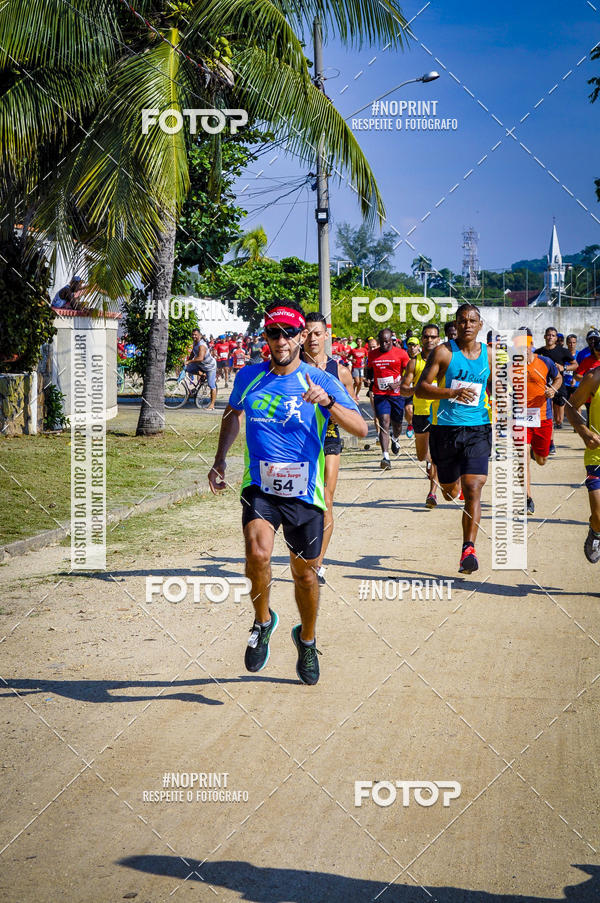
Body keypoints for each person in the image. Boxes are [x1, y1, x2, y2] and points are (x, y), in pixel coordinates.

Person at [208, 300, 367, 685]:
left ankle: (307, 640)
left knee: (305, 577)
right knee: (257, 552)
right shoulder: (249, 377)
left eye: (288, 333)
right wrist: (220, 460)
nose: (280, 340)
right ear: (266, 337)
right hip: (260, 486)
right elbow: (232, 416)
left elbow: (361, 428)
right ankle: (263, 622)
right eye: (272, 333)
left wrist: (327, 403)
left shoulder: (320, 380)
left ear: (300, 337)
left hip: (304, 492)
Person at [415, 303, 492, 574]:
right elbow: (421, 388)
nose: (467, 325)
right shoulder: (444, 352)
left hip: (478, 428)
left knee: (474, 487)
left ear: (480, 325)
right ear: (456, 324)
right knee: (450, 492)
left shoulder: (490, 355)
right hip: (444, 430)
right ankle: (451, 485)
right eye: (462, 321)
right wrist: (451, 393)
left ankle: (468, 549)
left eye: (472, 321)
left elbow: (500, 390)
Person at [302, 312, 356, 586]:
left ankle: (317, 564)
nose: (312, 338)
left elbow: (352, 408)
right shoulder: (292, 366)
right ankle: (303, 553)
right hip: (298, 440)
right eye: (307, 333)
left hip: (329, 437)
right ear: (301, 336)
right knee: (301, 503)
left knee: (325, 500)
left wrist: (336, 410)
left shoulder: (339, 371)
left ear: (326, 336)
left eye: (317, 333)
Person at [565, 333, 600, 562]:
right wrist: (585, 432)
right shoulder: (594, 377)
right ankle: (595, 530)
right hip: (597, 454)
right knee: (599, 515)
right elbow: (570, 407)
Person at [399, 323, 440, 507]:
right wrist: (418, 389)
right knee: (422, 455)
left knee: (436, 455)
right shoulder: (414, 362)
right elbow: (403, 389)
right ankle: (430, 461)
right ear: (422, 339)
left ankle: (432, 493)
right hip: (421, 413)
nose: (429, 340)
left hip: (441, 414)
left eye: (433, 337)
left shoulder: (446, 360)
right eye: (426, 337)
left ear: (438, 339)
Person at [521, 333, 562, 515]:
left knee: (541, 460)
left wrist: (552, 389)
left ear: (531, 344)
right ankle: (527, 499)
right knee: (521, 458)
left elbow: (558, 378)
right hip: (520, 417)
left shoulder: (545, 362)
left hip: (543, 417)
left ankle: (534, 451)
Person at [367, 328, 409, 469]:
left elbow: (409, 373)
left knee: (397, 424)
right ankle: (386, 457)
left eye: (387, 341)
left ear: (392, 340)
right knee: (384, 422)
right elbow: (369, 369)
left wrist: (398, 383)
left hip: (397, 395)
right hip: (380, 393)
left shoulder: (401, 354)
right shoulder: (372, 354)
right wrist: (369, 380)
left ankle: (395, 438)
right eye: (382, 342)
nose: (384, 344)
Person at [535, 326, 577, 430]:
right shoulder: (538, 352)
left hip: (559, 385)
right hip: (543, 386)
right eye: (548, 335)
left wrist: (564, 367)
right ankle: (549, 434)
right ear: (544, 336)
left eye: (553, 335)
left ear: (556, 339)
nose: (550, 337)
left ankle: (556, 425)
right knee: (548, 415)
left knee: (558, 419)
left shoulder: (563, 351)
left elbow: (575, 365)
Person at [186, 327, 217, 410]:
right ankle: (203, 375)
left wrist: (189, 361)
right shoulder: (195, 342)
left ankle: (212, 405)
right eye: (192, 335)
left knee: (211, 385)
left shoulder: (202, 345)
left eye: (195, 335)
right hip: (201, 365)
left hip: (210, 366)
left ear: (199, 335)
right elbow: (193, 352)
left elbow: (200, 358)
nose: (194, 336)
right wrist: (188, 360)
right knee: (188, 368)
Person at [403, 337, 420, 439]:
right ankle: (410, 424)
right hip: (409, 388)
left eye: (414, 345)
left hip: (420, 388)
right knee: (408, 409)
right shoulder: (404, 357)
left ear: (418, 346)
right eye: (410, 345)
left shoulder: (424, 357)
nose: (412, 348)